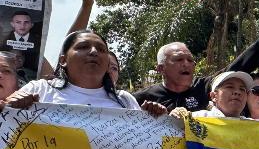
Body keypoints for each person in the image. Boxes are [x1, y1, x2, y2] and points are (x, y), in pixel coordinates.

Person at [134, 9, 259, 110]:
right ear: (161, 68)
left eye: (190, 60)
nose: (186, 64)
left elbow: (244, 63)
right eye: (178, 59)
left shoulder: (205, 87)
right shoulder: (140, 99)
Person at [3, 30, 165, 116]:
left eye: (101, 49)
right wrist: (9, 105)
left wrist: (156, 118)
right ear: (63, 60)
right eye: (83, 47)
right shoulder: (40, 89)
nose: (94, 52)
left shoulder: (124, 100)